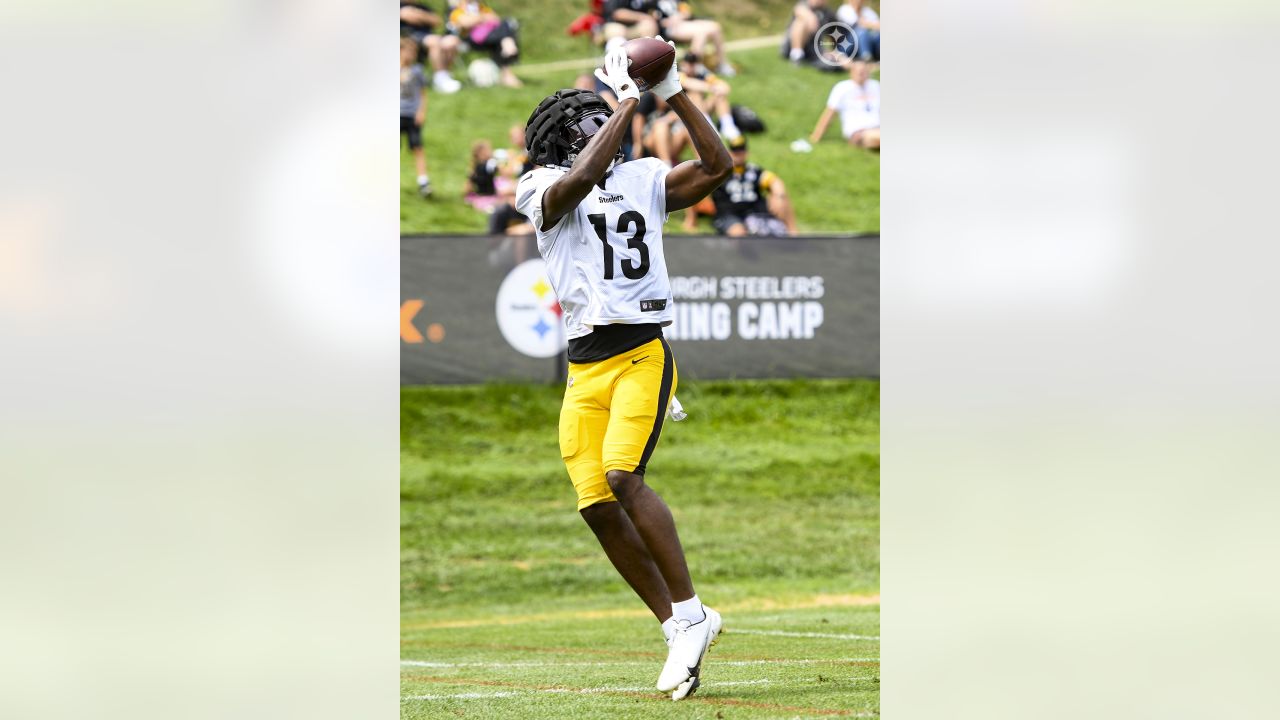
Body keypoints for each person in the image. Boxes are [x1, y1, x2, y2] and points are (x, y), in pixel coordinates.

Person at [513, 40, 731, 701]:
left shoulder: (641, 179)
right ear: (567, 137)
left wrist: (671, 90)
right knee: (595, 505)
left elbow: (716, 166)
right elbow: (578, 182)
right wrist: (629, 101)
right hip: (584, 369)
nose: (607, 117)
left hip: (640, 350)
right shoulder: (539, 185)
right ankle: (677, 625)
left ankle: (691, 615)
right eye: (593, 115)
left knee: (621, 476)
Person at [693, 135, 797, 236]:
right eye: (735, 151)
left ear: (746, 152)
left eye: (741, 151)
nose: (738, 154)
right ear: (729, 152)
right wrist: (691, 219)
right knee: (738, 233)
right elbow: (696, 188)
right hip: (729, 214)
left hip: (754, 212)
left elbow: (775, 181)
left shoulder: (753, 171)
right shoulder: (720, 172)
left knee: (782, 197)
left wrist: (778, 195)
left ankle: (793, 233)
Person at [447, 1, 523, 88]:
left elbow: (496, 19)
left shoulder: (481, 7)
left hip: (488, 38)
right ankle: (508, 44)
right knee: (504, 32)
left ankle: (507, 72)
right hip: (471, 40)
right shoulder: (457, 11)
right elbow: (466, 23)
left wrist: (477, 18)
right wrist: (482, 17)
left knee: (505, 24)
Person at [809, 59, 880, 150]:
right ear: (851, 73)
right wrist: (816, 136)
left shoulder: (875, 86)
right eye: (859, 72)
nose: (861, 75)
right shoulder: (842, 88)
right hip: (858, 132)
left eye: (864, 72)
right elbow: (829, 114)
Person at [399, 38, 432, 198]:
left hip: (411, 114)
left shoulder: (417, 71)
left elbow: (423, 94)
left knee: (417, 147)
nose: (411, 55)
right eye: (408, 51)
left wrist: (421, 112)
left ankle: (423, 181)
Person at [786, 0, 836, 64]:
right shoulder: (803, 5)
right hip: (791, 46)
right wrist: (810, 17)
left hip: (813, 47)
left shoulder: (828, 13)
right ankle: (796, 55)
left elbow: (836, 30)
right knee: (800, 21)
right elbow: (798, 10)